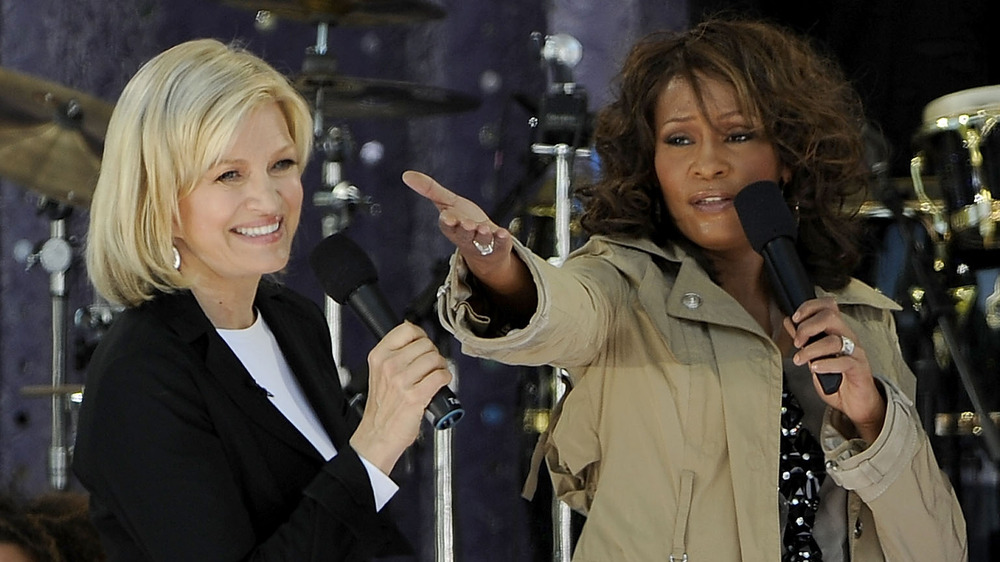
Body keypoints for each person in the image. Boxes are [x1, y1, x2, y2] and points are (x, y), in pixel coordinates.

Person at [403, 17, 968, 562]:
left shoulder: (862, 320)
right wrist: (499, 268)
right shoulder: (622, 283)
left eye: (738, 134)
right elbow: (564, 310)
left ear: (790, 156)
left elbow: (938, 549)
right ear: (652, 165)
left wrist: (872, 420)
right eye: (679, 139)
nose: (708, 164)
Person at [73, 39, 452, 561]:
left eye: (282, 164)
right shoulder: (140, 373)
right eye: (229, 174)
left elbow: (354, 531)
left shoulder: (292, 320)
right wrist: (377, 442)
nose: (270, 199)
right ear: (158, 199)